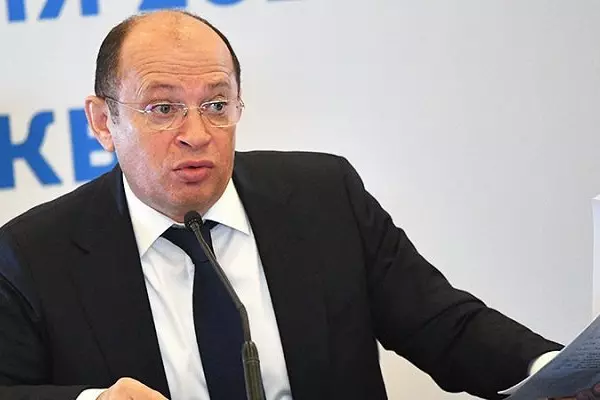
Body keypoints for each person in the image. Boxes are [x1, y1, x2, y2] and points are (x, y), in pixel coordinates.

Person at [0, 9, 586, 400]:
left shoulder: (323, 197)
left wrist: (560, 376)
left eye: (216, 104)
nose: (196, 134)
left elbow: (443, 326)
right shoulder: (34, 253)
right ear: (104, 122)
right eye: (163, 108)